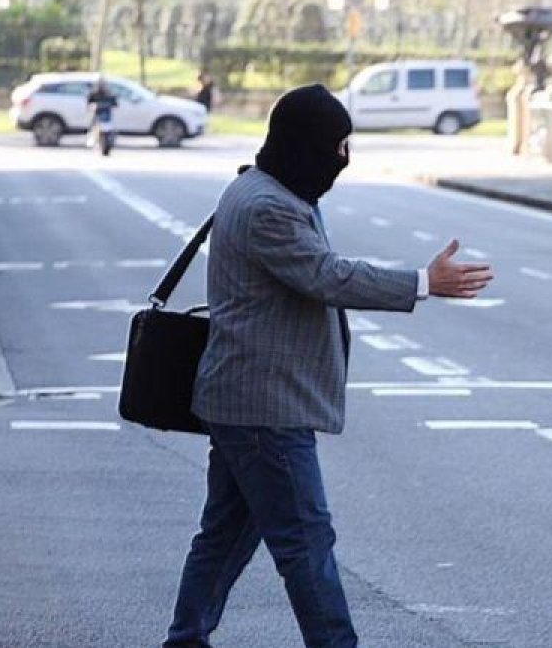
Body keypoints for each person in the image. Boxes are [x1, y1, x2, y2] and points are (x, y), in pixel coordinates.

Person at [162, 84, 493, 648]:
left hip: (246, 399)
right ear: (305, 144)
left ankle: (185, 639)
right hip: (265, 404)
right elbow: (327, 276)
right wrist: (422, 283)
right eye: (336, 145)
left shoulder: (267, 187)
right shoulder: (268, 206)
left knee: (225, 535)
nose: (343, 159)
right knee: (306, 543)